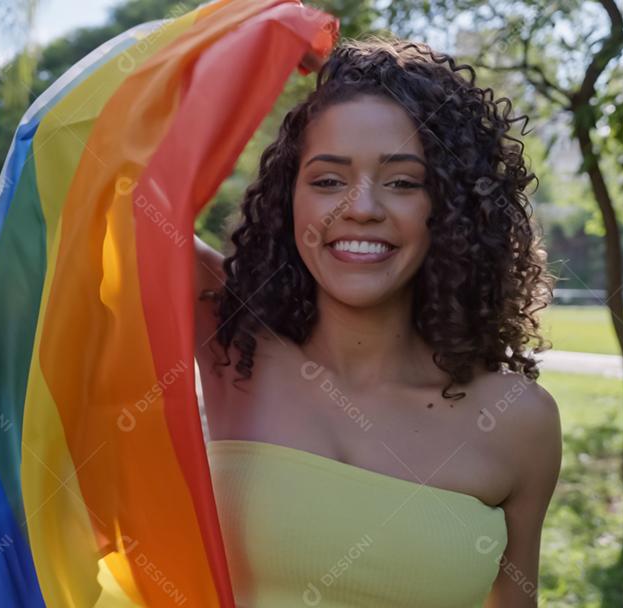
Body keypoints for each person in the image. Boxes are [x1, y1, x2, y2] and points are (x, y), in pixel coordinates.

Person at [192, 36, 562, 608]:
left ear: (451, 207)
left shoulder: (518, 421)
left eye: (402, 182)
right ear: (288, 201)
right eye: (327, 180)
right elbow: (96, 177)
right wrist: (253, 42)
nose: (361, 206)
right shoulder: (229, 338)